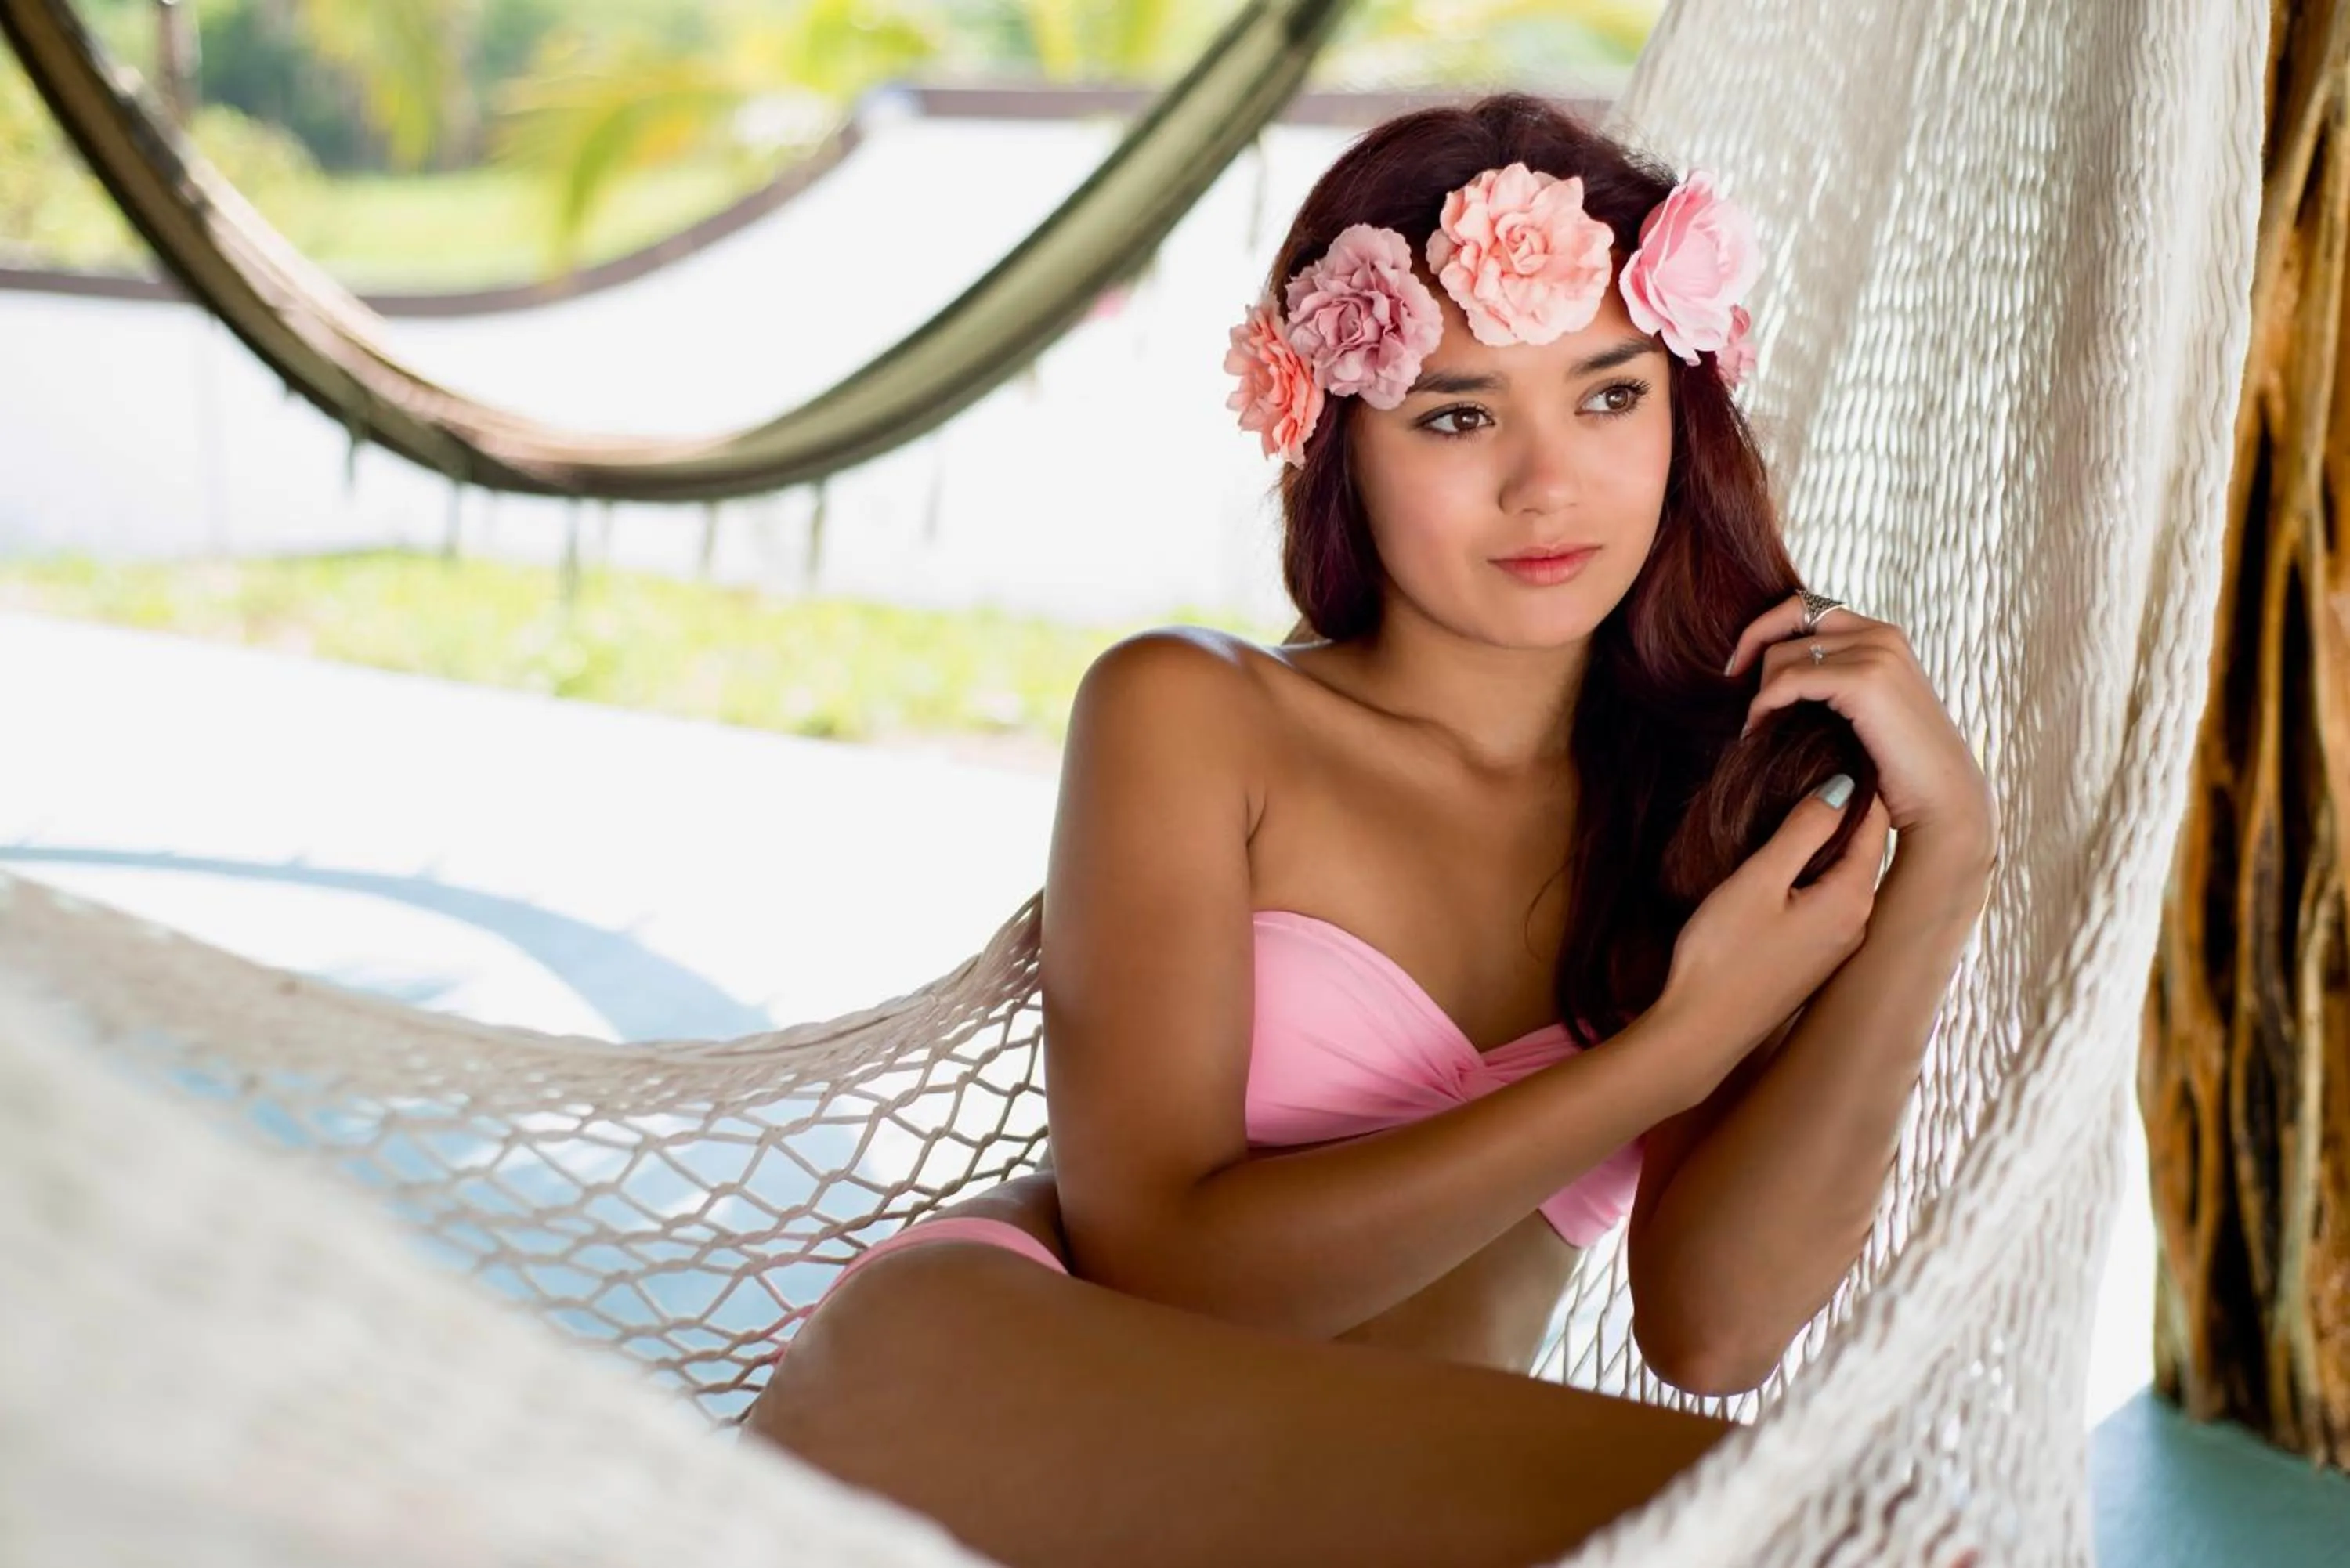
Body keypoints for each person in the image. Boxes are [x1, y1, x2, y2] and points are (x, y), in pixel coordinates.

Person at [746, 91, 1997, 1568]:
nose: (1548, 485)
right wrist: (1670, 1049)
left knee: (1889, 1531)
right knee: (1869, 1535)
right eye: (1459, 414)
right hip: (994, 1381)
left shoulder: (1708, 810)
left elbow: (1715, 1330)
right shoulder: (1195, 718)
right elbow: (1173, 1269)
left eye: (1610, 395)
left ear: (1683, 414)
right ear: (1337, 436)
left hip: (1359, 1503)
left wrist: (1949, 858)